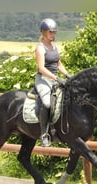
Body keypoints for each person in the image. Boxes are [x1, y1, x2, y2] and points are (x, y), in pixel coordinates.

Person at [34, 18, 71, 147]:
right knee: (48, 103)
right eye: (50, 32)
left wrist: (67, 75)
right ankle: (44, 134)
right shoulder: (40, 48)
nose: (53, 34)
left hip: (55, 78)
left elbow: (58, 64)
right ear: (44, 32)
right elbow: (41, 68)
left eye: (54, 32)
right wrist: (57, 79)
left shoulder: (54, 46)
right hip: (43, 80)